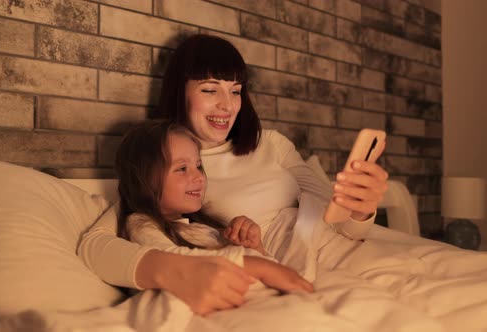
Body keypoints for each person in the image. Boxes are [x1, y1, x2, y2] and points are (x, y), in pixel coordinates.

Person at [78, 34, 388, 315]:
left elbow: (338, 223)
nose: (227, 105)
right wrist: (241, 262)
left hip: (339, 251)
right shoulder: (159, 164)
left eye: (235, 91)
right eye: (210, 89)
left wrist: (361, 209)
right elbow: (97, 246)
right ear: (179, 93)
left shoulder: (272, 144)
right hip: (290, 271)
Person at [113, 120, 314, 296]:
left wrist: (255, 248)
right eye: (182, 168)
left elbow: (274, 272)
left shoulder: (202, 226)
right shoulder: (141, 224)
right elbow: (172, 264)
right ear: (144, 179)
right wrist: (258, 265)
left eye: (198, 166)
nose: (199, 177)